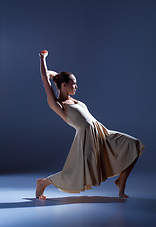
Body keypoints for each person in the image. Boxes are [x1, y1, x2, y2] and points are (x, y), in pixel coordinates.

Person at [36, 50, 145, 199]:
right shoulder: (57, 105)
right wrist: (43, 58)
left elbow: (52, 75)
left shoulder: (72, 99)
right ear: (64, 85)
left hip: (101, 132)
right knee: (75, 174)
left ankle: (121, 181)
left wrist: (54, 75)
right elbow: (45, 76)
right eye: (73, 84)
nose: (76, 87)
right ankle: (43, 183)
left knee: (134, 145)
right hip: (86, 139)